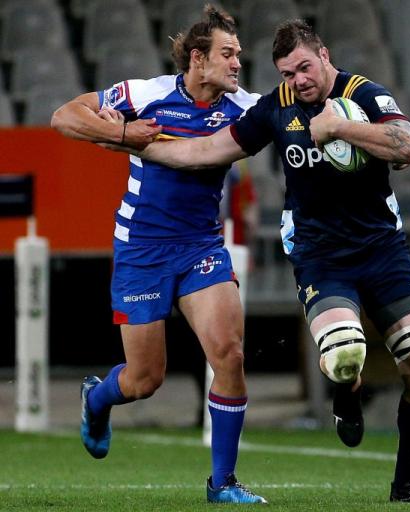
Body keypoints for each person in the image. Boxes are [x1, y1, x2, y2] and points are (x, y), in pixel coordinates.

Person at [114, 18, 410, 504]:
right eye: (287, 73)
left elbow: (408, 148)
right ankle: (346, 389)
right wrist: (134, 141)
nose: (298, 81)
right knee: (344, 354)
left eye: (305, 68)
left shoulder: (367, 95)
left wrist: (341, 127)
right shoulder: (276, 108)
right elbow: (208, 150)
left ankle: (406, 485)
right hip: (320, 256)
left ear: (325, 56)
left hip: (382, 251)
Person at [50, 6, 267, 504]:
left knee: (229, 353)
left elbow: (296, 114)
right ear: (198, 58)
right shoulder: (146, 94)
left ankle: (223, 484)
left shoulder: (245, 105)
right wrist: (124, 134)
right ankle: (98, 398)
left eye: (239, 55)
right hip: (141, 248)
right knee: (145, 379)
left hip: (201, 246)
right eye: (227, 54)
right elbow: (65, 116)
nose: (238, 64)